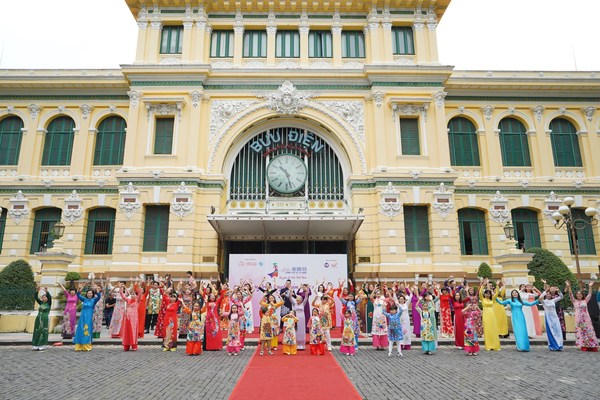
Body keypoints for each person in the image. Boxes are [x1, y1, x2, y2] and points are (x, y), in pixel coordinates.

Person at [566, 281, 598, 352]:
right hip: (579, 319)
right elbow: (570, 294)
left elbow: (590, 294)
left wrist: (590, 286)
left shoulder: (585, 300)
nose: (579, 295)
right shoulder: (574, 301)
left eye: (580, 294)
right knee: (581, 332)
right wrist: (569, 286)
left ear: (582, 295)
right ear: (576, 295)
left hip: (586, 319)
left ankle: (592, 345)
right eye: (577, 294)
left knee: (589, 331)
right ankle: (583, 345)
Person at [72, 283, 102, 351]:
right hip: (82, 317)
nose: (89, 294)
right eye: (88, 293)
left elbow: (99, 296)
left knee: (87, 329)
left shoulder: (94, 300)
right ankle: (79, 346)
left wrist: (96, 288)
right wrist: (80, 288)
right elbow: (78, 295)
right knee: (80, 329)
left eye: (90, 293)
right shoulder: (84, 299)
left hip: (89, 317)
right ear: (86, 294)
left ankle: (86, 346)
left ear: (92, 294)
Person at [539, 281, 564, 351]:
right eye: (547, 294)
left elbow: (561, 296)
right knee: (551, 331)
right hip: (548, 318)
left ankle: (559, 344)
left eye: (549, 294)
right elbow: (540, 298)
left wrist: (558, 291)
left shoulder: (553, 300)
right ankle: (552, 345)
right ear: (545, 295)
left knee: (557, 330)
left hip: (555, 318)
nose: (548, 295)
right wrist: (545, 290)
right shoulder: (543, 301)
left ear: (551, 295)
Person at [479, 279, 500, 351]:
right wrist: (483, 285)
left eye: (488, 294)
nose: (487, 295)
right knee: (487, 329)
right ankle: (488, 345)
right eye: (486, 293)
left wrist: (497, 285)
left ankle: (495, 345)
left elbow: (497, 293)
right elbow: (480, 293)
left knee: (493, 329)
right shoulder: (482, 299)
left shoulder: (492, 299)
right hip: (486, 315)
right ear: (484, 294)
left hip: (492, 315)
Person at [120, 285, 140, 351]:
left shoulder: (137, 301)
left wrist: (139, 287)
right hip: (127, 318)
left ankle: (134, 345)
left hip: (134, 319)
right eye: (131, 294)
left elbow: (140, 295)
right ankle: (126, 345)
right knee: (127, 331)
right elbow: (123, 296)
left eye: (134, 294)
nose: (132, 295)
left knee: (133, 331)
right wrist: (121, 288)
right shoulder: (128, 300)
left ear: (136, 296)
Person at [32, 286, 51, 351]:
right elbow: (35, 297)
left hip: (45, 319)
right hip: (38, 318)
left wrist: (47, 291)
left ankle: (42, 344)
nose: (43, 298)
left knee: (43, 331)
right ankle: (35, 344)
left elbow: (50, 297)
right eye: (42, 297)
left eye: (45, 297)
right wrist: (37, 291)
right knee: (37, 331)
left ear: (47, 298)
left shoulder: (49, 304)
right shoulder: (41, 303)